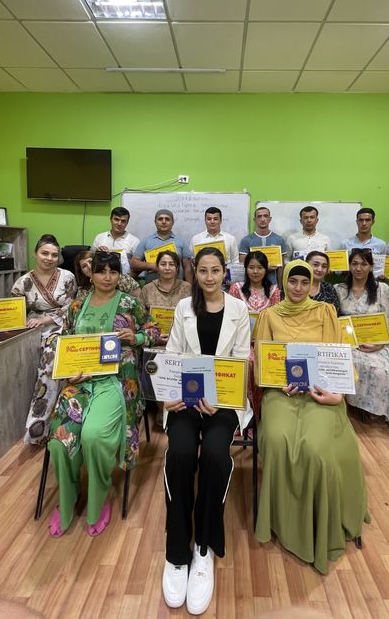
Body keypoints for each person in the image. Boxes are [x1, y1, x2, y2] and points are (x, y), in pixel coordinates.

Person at [254, 259, 368, 575]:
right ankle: (281, 520)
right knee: (277, 439)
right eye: (293, 281)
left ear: (312, 284)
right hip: (282, 393)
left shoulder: (325, 312)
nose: (298, 287)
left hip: (322, 392)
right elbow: (261, 362)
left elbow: (340, 355)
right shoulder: (269, 316)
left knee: (316, 448)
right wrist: (278, 382)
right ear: (284, 282)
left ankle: (319, 524)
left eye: (305, 282)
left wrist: (338, 394)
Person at [162, 248, 250, 614]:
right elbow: (172, 355)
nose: (209, 277)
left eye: (215, 270)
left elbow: (242, 361)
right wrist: (170, 395)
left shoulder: (239, 310)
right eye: (203, 271)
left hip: (222, 401)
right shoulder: (184, 307)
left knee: (216, 456)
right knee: (180, 453)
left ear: (224, 273)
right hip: (186, 400)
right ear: (194, 273)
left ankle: (204, 546)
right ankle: (177, 551)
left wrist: (220, 396)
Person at [47, 251, 159, 537]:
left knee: (94, 436)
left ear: (119, 274)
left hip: (116, 382)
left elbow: (154, 330)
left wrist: (138, 337)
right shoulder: (77, 306)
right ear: (91, 274)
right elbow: (65, 342)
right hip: (80, 383)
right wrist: (67, 373)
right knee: (59, 441)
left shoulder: (130, 303)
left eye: (113, 271)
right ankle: (68, 497)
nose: (107, 277)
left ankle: (100, 496)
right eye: (101, 271)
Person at [11, 234, 76, 445]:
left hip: (61, 326)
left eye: (54, 255)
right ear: (35, 254)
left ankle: (39, 426)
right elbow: (14, 311)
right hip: (31, 328)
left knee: (51, 363)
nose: (49, 258)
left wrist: (46, 319)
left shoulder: (67, 277)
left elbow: (72, 306)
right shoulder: (23, 282)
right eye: (44, 253)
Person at [335, 249, 389, 423]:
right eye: (354, 263)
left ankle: (372, 408)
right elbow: (334, 320)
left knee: (380, 370)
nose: (358, 268)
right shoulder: (339, 289)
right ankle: (349, 404)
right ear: (349, 266)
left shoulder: (382, 289)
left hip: (378, 343)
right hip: (348, 343)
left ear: (371, 267)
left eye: (364, 264)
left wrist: (380, 344)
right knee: (348, 362)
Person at [229, 250, 281, 420]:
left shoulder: (274, 291)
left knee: (259, 360)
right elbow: (230, 318)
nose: (256, 271)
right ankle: (241, 417)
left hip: (264, 343)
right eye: (251, 267)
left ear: (266, 269)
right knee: (246, 360)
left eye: (260, 267)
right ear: (246, 269)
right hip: (239, 341)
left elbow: (276, 322)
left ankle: (259, 417)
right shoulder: (236, 289)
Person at [141, 250, 192, 343]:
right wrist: (154, 336)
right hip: (153, 342)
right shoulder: (147, 289)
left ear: (177, 268)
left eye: (171, 264)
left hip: (182, 341)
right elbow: (141, 319)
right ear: (157, 267)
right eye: (163, 264)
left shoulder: (187, 288)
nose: (167, 268)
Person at [131, 209, 193, 284]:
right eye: (160, 219)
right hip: (152, 287)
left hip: (177, 288)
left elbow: (188, 268)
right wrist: (152, 266)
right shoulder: (146, 242)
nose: (164, 222)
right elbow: (134, 263)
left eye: (167, 219)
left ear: (172, 222)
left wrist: (190, 287)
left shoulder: (181, 242)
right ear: (155, 222)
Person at [239, 207, 287, 287]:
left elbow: (281, 268)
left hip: (273, 285)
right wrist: (263, 268)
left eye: (265, 216)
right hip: (252, 285)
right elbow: (243, 267)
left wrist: (280, 288)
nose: (262, 219)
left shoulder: (279, 240)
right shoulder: (246, 241)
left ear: (270, 219)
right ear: (255, 219)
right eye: (259, 216)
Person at [74, 249, 143, 303]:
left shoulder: (123, 279)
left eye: (91, 262)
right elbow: (77, 310)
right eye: (84, 266)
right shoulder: (83, 290)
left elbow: (140, 299)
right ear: (82, 272)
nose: (89, 267)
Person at [90, 206, 139, 275]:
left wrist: (130, 277)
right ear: (110, 220)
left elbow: (138, 266)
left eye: (123, 221)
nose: (119, 223)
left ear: (127, 223)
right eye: (116, 219)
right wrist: (98, 253)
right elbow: (90, 258)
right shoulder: (99, 237)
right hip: (102, 278)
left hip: (124, 279)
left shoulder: (134, 241)